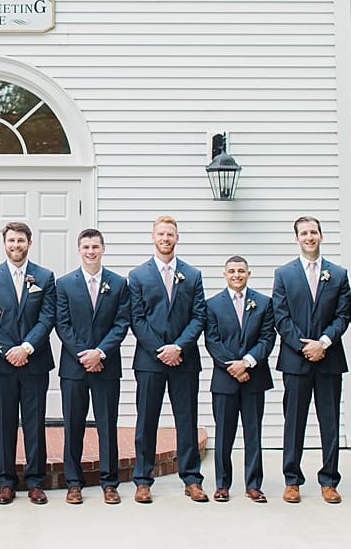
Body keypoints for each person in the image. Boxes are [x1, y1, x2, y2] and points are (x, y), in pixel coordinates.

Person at [127, 215, 208, 504]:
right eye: (161, 234)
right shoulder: (138, 276)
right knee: (146, 421)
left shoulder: (192, 275)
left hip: (184, 361)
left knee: (186, 420)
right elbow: (136, 318)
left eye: (170, 234)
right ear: (153, 237)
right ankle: (143, 480)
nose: (165, 238)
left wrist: (179, 348)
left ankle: (192, 479)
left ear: (177, 238)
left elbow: (199, 316)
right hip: (150, 361)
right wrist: (161, 349)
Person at [271, 216, 351, 504]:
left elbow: (343, 315)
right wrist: (304, 347)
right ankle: (292, 480)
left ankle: (329, 481)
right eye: (303, 233)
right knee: (294, 422)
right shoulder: (284, 274)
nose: (309, 237)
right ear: (296, 238)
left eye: (313, 232)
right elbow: (281, 317)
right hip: (296, 361)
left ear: (321, 236)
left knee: (330, 422)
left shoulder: (338, 274)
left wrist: (324, 343)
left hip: (329, 359)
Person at [0, 221, 56, 505]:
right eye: (11, 240)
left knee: (34, 423)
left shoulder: (44, 277)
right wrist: (10, 351)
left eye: (21, 240)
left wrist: (26, 348)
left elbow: (47, 318)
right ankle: (6, 482)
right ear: (5, 243)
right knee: (5, 423)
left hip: (35, 361)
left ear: (29, 243)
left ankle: (35, 482)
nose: (16, 245)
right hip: (2, 364)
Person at [54, 228, 130, 505]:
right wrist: (84, 355)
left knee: (107, 426)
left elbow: (121, 323)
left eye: (95, 247)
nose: (90, 251)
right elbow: (62, 324)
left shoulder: (119, 284)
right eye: (86, 247)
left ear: (103, 249)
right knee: (73, 426)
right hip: (74, 369)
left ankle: (109, 483)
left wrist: (100, 353)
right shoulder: (64, 284)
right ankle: (74, 483)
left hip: (106, 366)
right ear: (79, 250)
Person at [204, 256, 276, 504]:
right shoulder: (212, 305)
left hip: (254, 378)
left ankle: (253, 485)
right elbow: (212, 341)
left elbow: (267, 338)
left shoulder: (264, 303)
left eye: (241, 271)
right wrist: (234, 368)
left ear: (249, 273)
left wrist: (247, 363)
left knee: (253, 433)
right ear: (224, 274)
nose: (237, 275)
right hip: (225, 380)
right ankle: (222, 485)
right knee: (224, 435)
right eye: (232, 271)